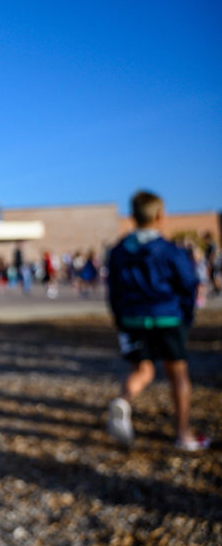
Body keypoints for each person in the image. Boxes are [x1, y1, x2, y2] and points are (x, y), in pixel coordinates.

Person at [106, 191, 207, 451]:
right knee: (177, 374)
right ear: (160, 216)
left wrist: (120, 318)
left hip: (133, 319)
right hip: (167, 318)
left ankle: (123, 402)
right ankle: (183, 433)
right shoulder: (169, 250)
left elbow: (113, 290)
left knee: (142, 370)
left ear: (134, 216)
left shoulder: (119, 251)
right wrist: (186, 315)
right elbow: (188, 284)